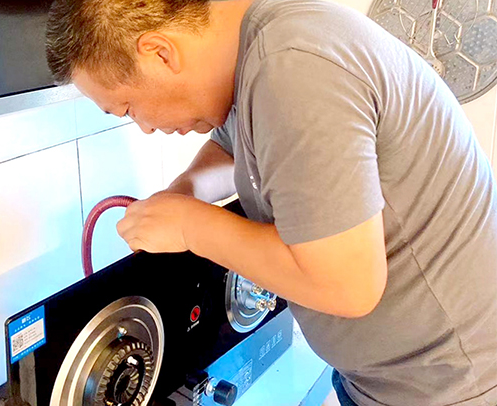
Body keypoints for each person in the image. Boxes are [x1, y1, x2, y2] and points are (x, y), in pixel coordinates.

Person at [45, 0, 497, 404]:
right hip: (396, 378)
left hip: (451, 388)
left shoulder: (291, 66)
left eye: (128, 107)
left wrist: (189, 225)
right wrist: (186, 190)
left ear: (160, 53)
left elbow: (347, 285)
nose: (143, 127)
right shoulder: (262, 48)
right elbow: (236, 146)